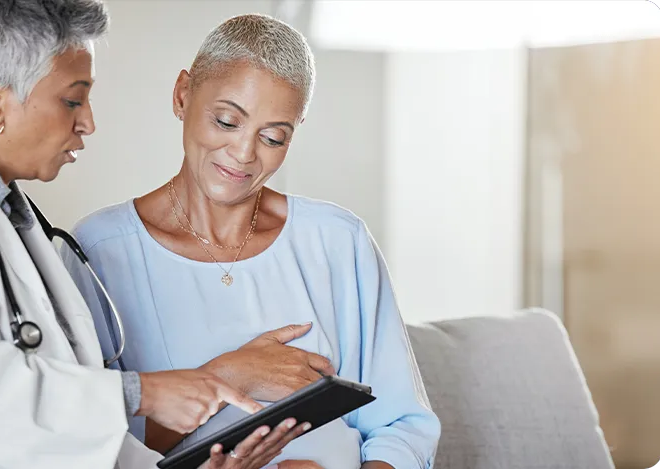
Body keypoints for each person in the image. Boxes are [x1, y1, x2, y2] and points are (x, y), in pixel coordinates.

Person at [0, 2, 310, 468]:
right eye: (73, 100)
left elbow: (59, 420)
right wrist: (144, 393)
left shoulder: (11, 217)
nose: (88, 123)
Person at [63, 13, 442, 469]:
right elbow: (93, 437)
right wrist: (229, 376)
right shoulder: (99, 251)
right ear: (183, 94)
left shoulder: (338, 242)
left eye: (273, 137)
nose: (243, 154)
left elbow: (402, 423)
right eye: (226, 121)